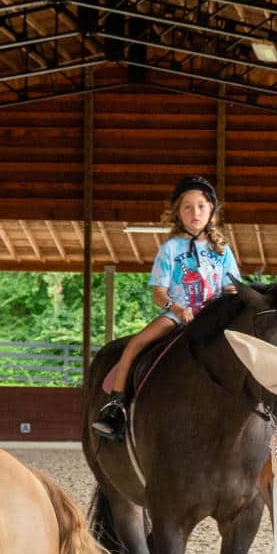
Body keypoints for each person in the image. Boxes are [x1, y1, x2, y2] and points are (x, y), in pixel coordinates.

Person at [92, 175, 240, 443]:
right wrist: (178, 308)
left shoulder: (223, 251)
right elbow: (159, 294)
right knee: (135, 344)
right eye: (188, 207)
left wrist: (233, 295)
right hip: (177, 316)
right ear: (177, 213)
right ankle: (115, 407)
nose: (195, 213)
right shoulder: (170, 249)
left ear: (211, 212)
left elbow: (231, 286)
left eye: (202, 206)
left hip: (214, 316)